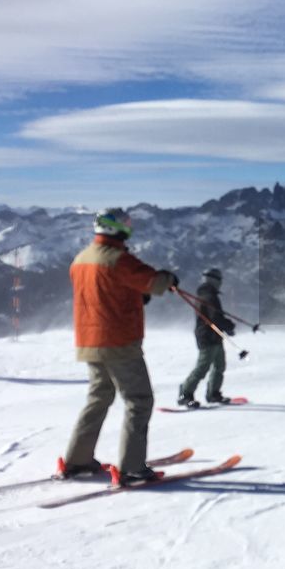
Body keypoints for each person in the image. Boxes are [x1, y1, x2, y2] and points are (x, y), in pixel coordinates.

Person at [61, 207, 178, 483]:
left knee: (99, 397)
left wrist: (136, 298)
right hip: (118, 340)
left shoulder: (81, 259)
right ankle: (132, 467)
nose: (129, 227)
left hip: (89, 341)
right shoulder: (117, 258)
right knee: (139, 401)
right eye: (126, 223)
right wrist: (169, 279)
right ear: (116, 228)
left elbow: (105, 294)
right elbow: (154, 281)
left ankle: (77, 460)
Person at [177, 268, 237, 408]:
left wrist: (226, 327)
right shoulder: (208, 296)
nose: (221, 283)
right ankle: (185, 394)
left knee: (219, 365)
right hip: (207, 336)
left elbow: (216, 317)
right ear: (214, 280)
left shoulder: (208, 295)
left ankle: (213, 393)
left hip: (214, 336)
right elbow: (215, 317)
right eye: (220, 280)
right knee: (203, 367)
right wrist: (228, 326)